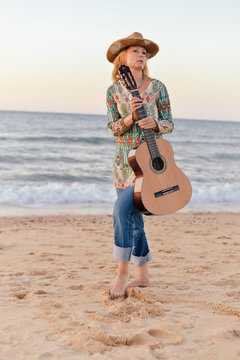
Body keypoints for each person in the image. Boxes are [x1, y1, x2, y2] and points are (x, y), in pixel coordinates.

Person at [106, 32, 174, 299]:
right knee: (133, 221)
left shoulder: (158, 87)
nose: (141, 54)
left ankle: (123, 274)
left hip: (149, 163)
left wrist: (155, 124)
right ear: (123, 58)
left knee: (121, 213)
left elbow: (170, 122)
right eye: (135, 50)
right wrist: (130, 119)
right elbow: (113, 128)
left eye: (143, 51)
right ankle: (143, 275)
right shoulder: (114, 91)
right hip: (125, 165)